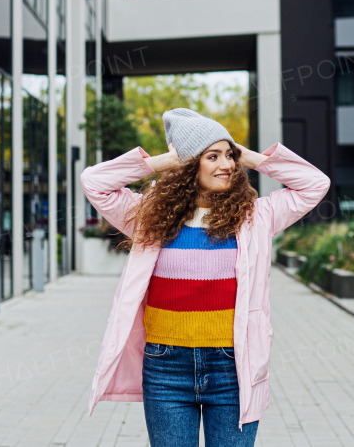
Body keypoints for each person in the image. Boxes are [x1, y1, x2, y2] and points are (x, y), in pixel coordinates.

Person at [81, 108, 330, 446]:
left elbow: (315, 183)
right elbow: (94, 182)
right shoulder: (149, 216)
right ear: (188, 164)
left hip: (232, 367)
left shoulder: (256, 217)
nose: (227, 164)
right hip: (166, 367)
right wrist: (161, 161)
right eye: (213, 156)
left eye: (230, 155)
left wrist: (252, 157)